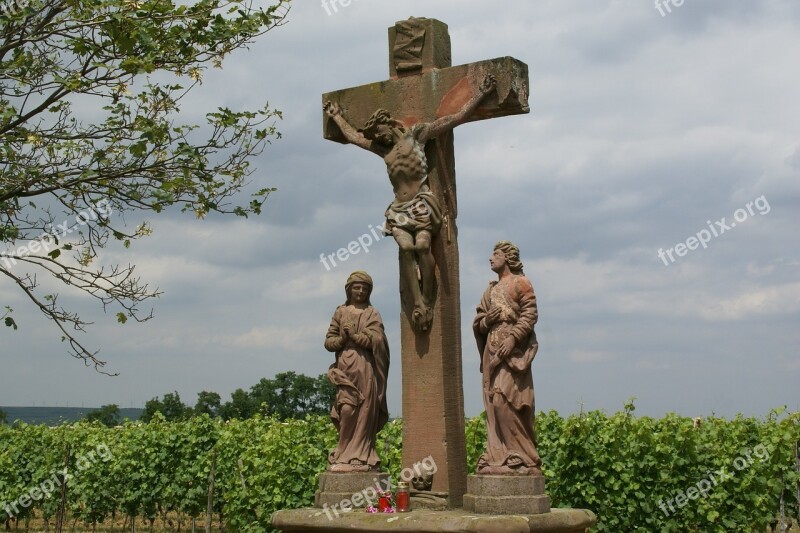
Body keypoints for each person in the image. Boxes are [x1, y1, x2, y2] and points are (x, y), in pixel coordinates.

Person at [323, 74, 496, 333]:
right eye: (375, 136)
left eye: (378, 132)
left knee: (423, 245)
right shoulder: (384, 150)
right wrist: (336, 116)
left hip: (422, 204)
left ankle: (427, 298)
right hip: (399, 209)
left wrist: (480, 95)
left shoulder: (416, 136)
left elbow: (453, 119)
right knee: (406, 248)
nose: (377, 138)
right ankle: (416, 302)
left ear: (387, 123)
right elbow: (355, 138)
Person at [473, 241, 542, 475]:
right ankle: (499, 454)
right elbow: (479, 323)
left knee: (505, 398)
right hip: (491, 352)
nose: (491, 258)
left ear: (508, 257)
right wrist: (487, 321)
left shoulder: (520, 283)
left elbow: (530, 314)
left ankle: (524, 456)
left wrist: (513, 338)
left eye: (496, 254)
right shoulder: (490, 290)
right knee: (493, 401)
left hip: (513, 353)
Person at [324, 271, 390, 472]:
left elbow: (377, 340)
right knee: (346, 409)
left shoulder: (372, 313)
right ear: (349, 289)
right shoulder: (340, 312)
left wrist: (355, 335)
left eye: (364, 288)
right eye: (356, 287)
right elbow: (328, 341)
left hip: (365, 367)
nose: (360, 291)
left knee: (365, 411)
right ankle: (343, 452)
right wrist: (343, 340)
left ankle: (361, 455)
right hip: (345, 367)